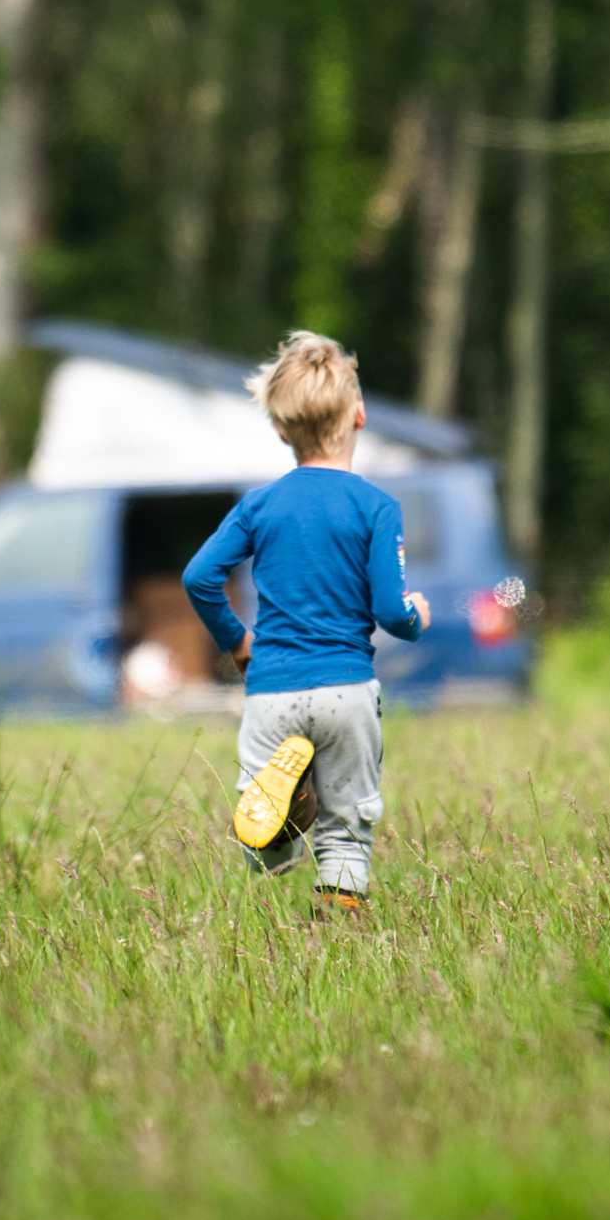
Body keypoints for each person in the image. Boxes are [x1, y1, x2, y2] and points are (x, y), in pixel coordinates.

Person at [181, 331, 429, 914]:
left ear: (279, 428)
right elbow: (392, 611)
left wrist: (237, 641)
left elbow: (198, 577)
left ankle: (275, 838)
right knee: (347, 825)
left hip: (273, 687)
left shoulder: (260, 505)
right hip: (345, 686)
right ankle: (339, 920)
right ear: (359, 415)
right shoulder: (375, 507)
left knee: (264, 825)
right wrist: (418, 614)